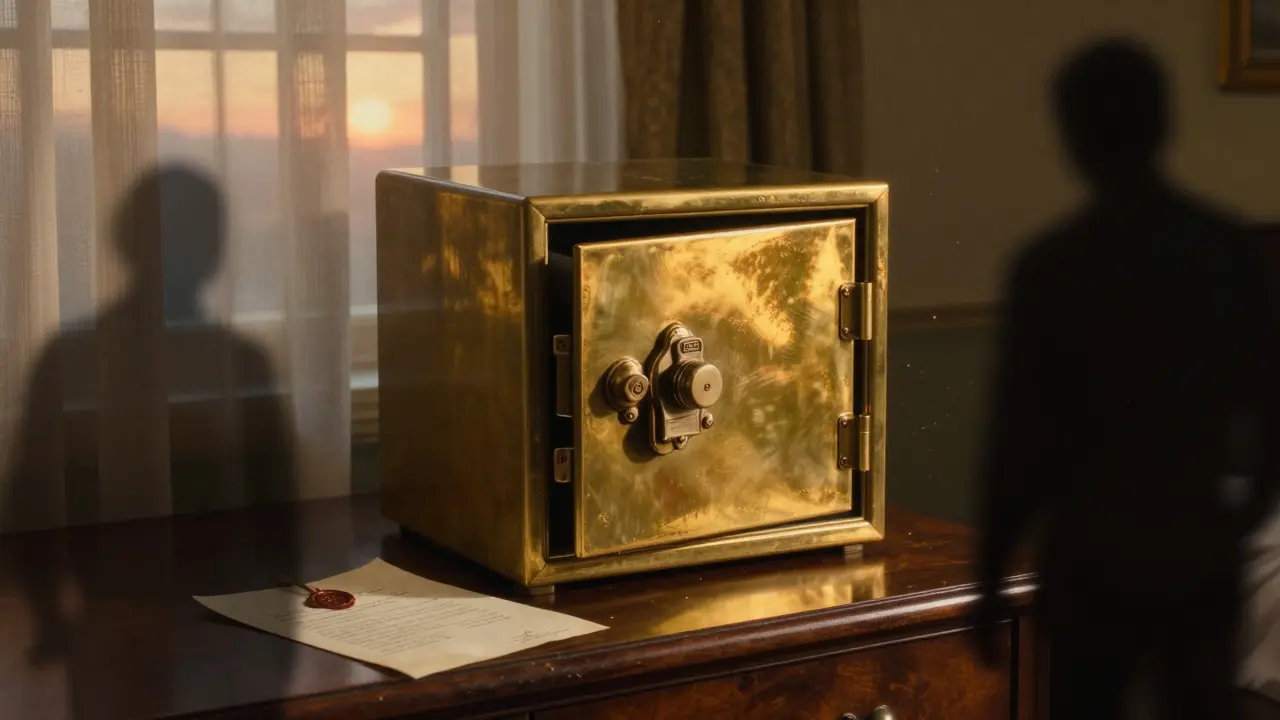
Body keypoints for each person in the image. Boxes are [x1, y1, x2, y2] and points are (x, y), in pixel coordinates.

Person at [972, 38, 1279, 719]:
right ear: (1161, 125)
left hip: (1092, 551)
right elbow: (1268, 407)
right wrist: (1240, 518)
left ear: (1074, 137)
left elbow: (1015, 441)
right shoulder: (1225, 252)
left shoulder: (1052, 266)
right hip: (1195, 542)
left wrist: (992, 576)